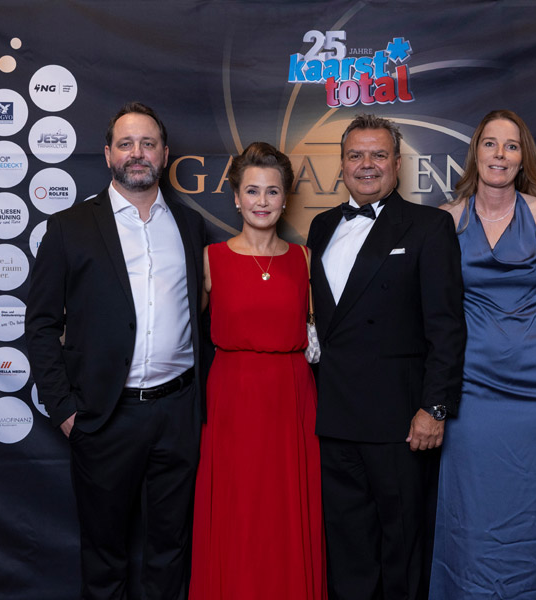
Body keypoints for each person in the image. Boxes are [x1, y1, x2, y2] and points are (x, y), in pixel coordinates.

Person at [25, 102, 210, 599]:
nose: (137, 153)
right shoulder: (69, 227)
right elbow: (40, 324)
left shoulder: (190, 227)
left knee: (171, 547)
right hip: (104, 415)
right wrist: (65, 410)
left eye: (148, 143)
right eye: (126, 144)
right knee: (105, 554)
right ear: (108, 154)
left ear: (165, 154)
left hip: (178, 412)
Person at [307, 114, 466, 600]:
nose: (367, 164)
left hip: (400, 420)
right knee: (347, 550)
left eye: (378, 154)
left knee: (402, 547)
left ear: (398, 163)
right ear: (341, 164)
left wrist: (434, 408)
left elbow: (446, 327)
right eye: (356, 155)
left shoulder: (429, 226)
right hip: (334, 417)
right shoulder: (321, 226)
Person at [429, 109, 536, 598]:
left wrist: (526, 349)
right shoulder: (449, 219)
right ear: (476, 152)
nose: (500, 154)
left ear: (522, 157)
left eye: (511, 146)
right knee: (472, 507)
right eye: (490, 143)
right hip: (471, 387)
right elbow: (441, 307)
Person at [188, 142, 326, 599]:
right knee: (239, 512)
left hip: (291, 401)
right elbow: (179, 333)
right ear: (236, 197)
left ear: (285, 198)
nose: (262, 201)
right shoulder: (211, 259)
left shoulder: (304, 259)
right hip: (233, 400)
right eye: (252, 191)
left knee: (285, 512)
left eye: (272, 191)